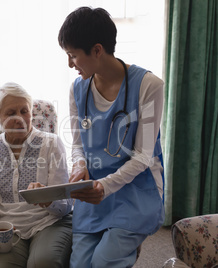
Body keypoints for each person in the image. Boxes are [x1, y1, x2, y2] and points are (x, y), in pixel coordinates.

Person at [58, 7, 165, 268]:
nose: (70, 64)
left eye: (73, 56)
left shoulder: (149, 86)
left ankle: (126, 238)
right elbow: (78, 145)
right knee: (81, 265)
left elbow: (142, 157)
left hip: (135, 190)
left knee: (104, 262)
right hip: (93, 192)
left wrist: (105, 186)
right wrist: (80, 166)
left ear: (97, 50)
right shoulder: (77, 88)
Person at [0, 82, 73, 268]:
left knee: (43, 263)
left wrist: (48, 198)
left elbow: (65, 206)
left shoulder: (51, 143)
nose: (20, 118)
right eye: (11, 113)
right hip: (7, 227)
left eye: (24, 111)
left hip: (49, 222)